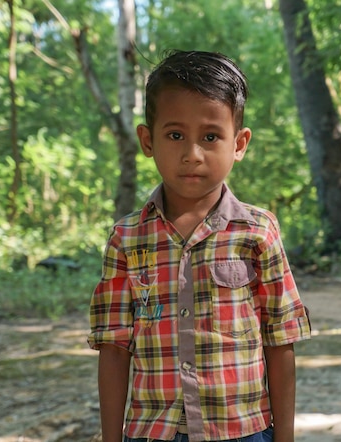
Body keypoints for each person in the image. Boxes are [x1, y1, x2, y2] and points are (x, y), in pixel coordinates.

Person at [88, 50, 311, 442]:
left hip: (242, 431)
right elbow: (114, 348)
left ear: (239, 143)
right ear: (147, 140)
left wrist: (285, 438)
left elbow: (280, 341)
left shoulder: (258, 232)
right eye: (175, 136)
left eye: (211, 137)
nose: (192, 154)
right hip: (152, 432)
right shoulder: (127, 239)